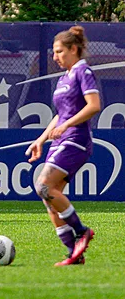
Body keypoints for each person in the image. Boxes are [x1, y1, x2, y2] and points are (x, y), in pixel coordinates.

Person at [26, 26, 97, 266]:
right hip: (60, 140)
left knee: (43, 186)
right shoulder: (63, 77)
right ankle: (73, 253)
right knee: (49, 198)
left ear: (73, 49)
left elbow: (93, 105)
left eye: (59, 52)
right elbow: (60, 115)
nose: (55, 57)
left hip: (76, 140)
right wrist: (41, 139)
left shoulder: (82, 71)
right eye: (54, 52)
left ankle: (81, 231)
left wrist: (67, 127)